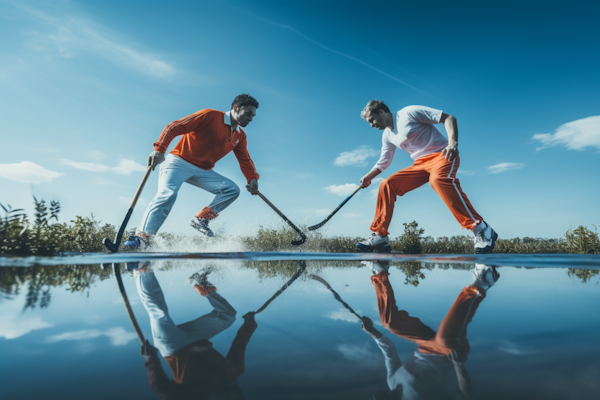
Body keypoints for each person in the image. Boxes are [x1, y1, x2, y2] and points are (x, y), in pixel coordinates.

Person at [356, 101, 497, 253]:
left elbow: (449, 118)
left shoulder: (408, 112)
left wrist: (452, 144)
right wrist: (368, 176)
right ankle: (380, 236)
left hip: (442, 155)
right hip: (420, 164)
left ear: (381, 112)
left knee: (437, 180)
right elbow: (384, 161)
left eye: (372, 120)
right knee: (387, 185)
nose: (371, 125)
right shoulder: (387, 135)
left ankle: (481, 228)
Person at [125, 94, 261, 247]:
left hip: (202, 170)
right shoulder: (210, 115)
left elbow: (245, 160)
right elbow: (174, 126)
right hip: (178, 162)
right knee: (168, 194)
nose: (250, 118)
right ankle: (143, 237)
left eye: (253, 116)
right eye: (247, 113)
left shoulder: (240, 136)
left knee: (232, 190)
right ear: (236, 108)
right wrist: (160, 150)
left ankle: (202, 219)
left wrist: (252, 178)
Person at [361, 261, 500, 399]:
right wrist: (459, 366)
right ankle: (482, 282)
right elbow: (464, 395)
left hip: (424, 345)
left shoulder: (391, 382)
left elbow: (389, 353)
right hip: (447, 353)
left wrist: (371, 331)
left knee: (390, 323)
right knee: (444, 338)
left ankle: (380, 272)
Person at [135, 264, 257, 399]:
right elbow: (240, 345)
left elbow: (161, 387)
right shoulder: (234, 373)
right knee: (228, 316)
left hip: (173, 347)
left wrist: (151, 360)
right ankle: (201, 284)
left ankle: (142, 270)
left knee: (157, 311)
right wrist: (249, 324)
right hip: (198, 339)